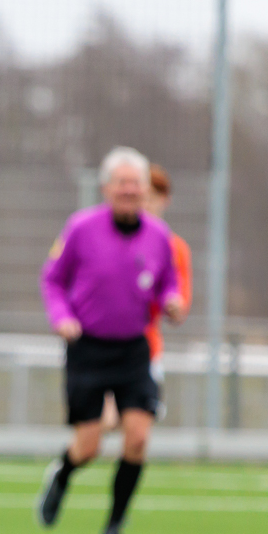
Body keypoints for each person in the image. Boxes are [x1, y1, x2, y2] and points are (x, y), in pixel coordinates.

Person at [36, 147, 186, 534]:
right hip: (87, 347)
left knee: (137, 439)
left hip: (134, 349)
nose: (129, 190)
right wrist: (61, 317)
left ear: (144, 189)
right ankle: (63, 473)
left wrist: (172, 301)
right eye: (121, 183)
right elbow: (52, 280)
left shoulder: (159, 236)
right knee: (89, 447)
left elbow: (168, 283)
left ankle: (113, 531)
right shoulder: (81, 228)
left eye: (135, 183)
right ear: (106, 188)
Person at [101, 163, 192, 429]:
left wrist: (172, 304)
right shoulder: (109, 236)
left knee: (135, 430)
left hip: (145, 349)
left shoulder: (173, 247)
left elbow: (178, 300)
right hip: (104, 346)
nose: (147, 203)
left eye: (154, 197)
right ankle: (68, 463)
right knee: (104, 423)